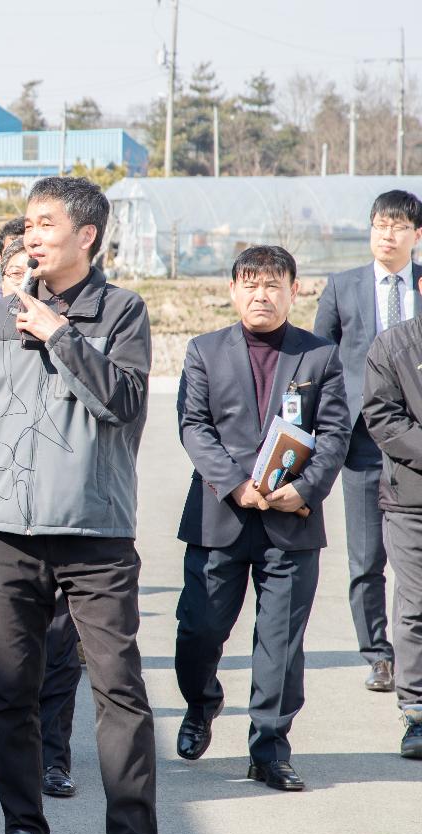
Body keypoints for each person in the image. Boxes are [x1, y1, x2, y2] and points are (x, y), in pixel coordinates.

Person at [0, 176, 157, 834]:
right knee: (8, 692)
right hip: (4, 532)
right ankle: (24, 828)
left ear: (87, 235)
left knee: (120, 693)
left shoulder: (122, 311)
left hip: (96, 531)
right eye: (26, 224)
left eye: (46, 224)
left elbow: (125, 400)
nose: (32, 235)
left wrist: (60, 334)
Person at [174, 245, 351, 791]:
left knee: (280, 642)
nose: (261, 295)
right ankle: (201, 702)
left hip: (291, 522)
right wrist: (238, 486)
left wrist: (299, 490)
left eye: (273, 284)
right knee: (200, 629)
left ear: (293, 291)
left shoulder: (318, 356)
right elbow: (193, 427)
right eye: (250, 284)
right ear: (232, 290)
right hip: (219, 515)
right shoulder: (204, 351)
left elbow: (335, 434)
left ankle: (269, 748)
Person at [314, 190, 422, 692]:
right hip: (362, 441)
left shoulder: (421, 284)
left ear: (416, 236)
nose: (387, 234)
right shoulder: (344, 286)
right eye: (380, 225)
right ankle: (378, 654)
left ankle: (412, 653)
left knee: (413, 555)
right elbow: (319, 363)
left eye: (399, 227)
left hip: (417, 442)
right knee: (366, 557)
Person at [363, 301, 422, 760]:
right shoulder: (394, 345)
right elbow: (383, 417)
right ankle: (417, 712)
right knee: (416, 604)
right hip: (412, 500)